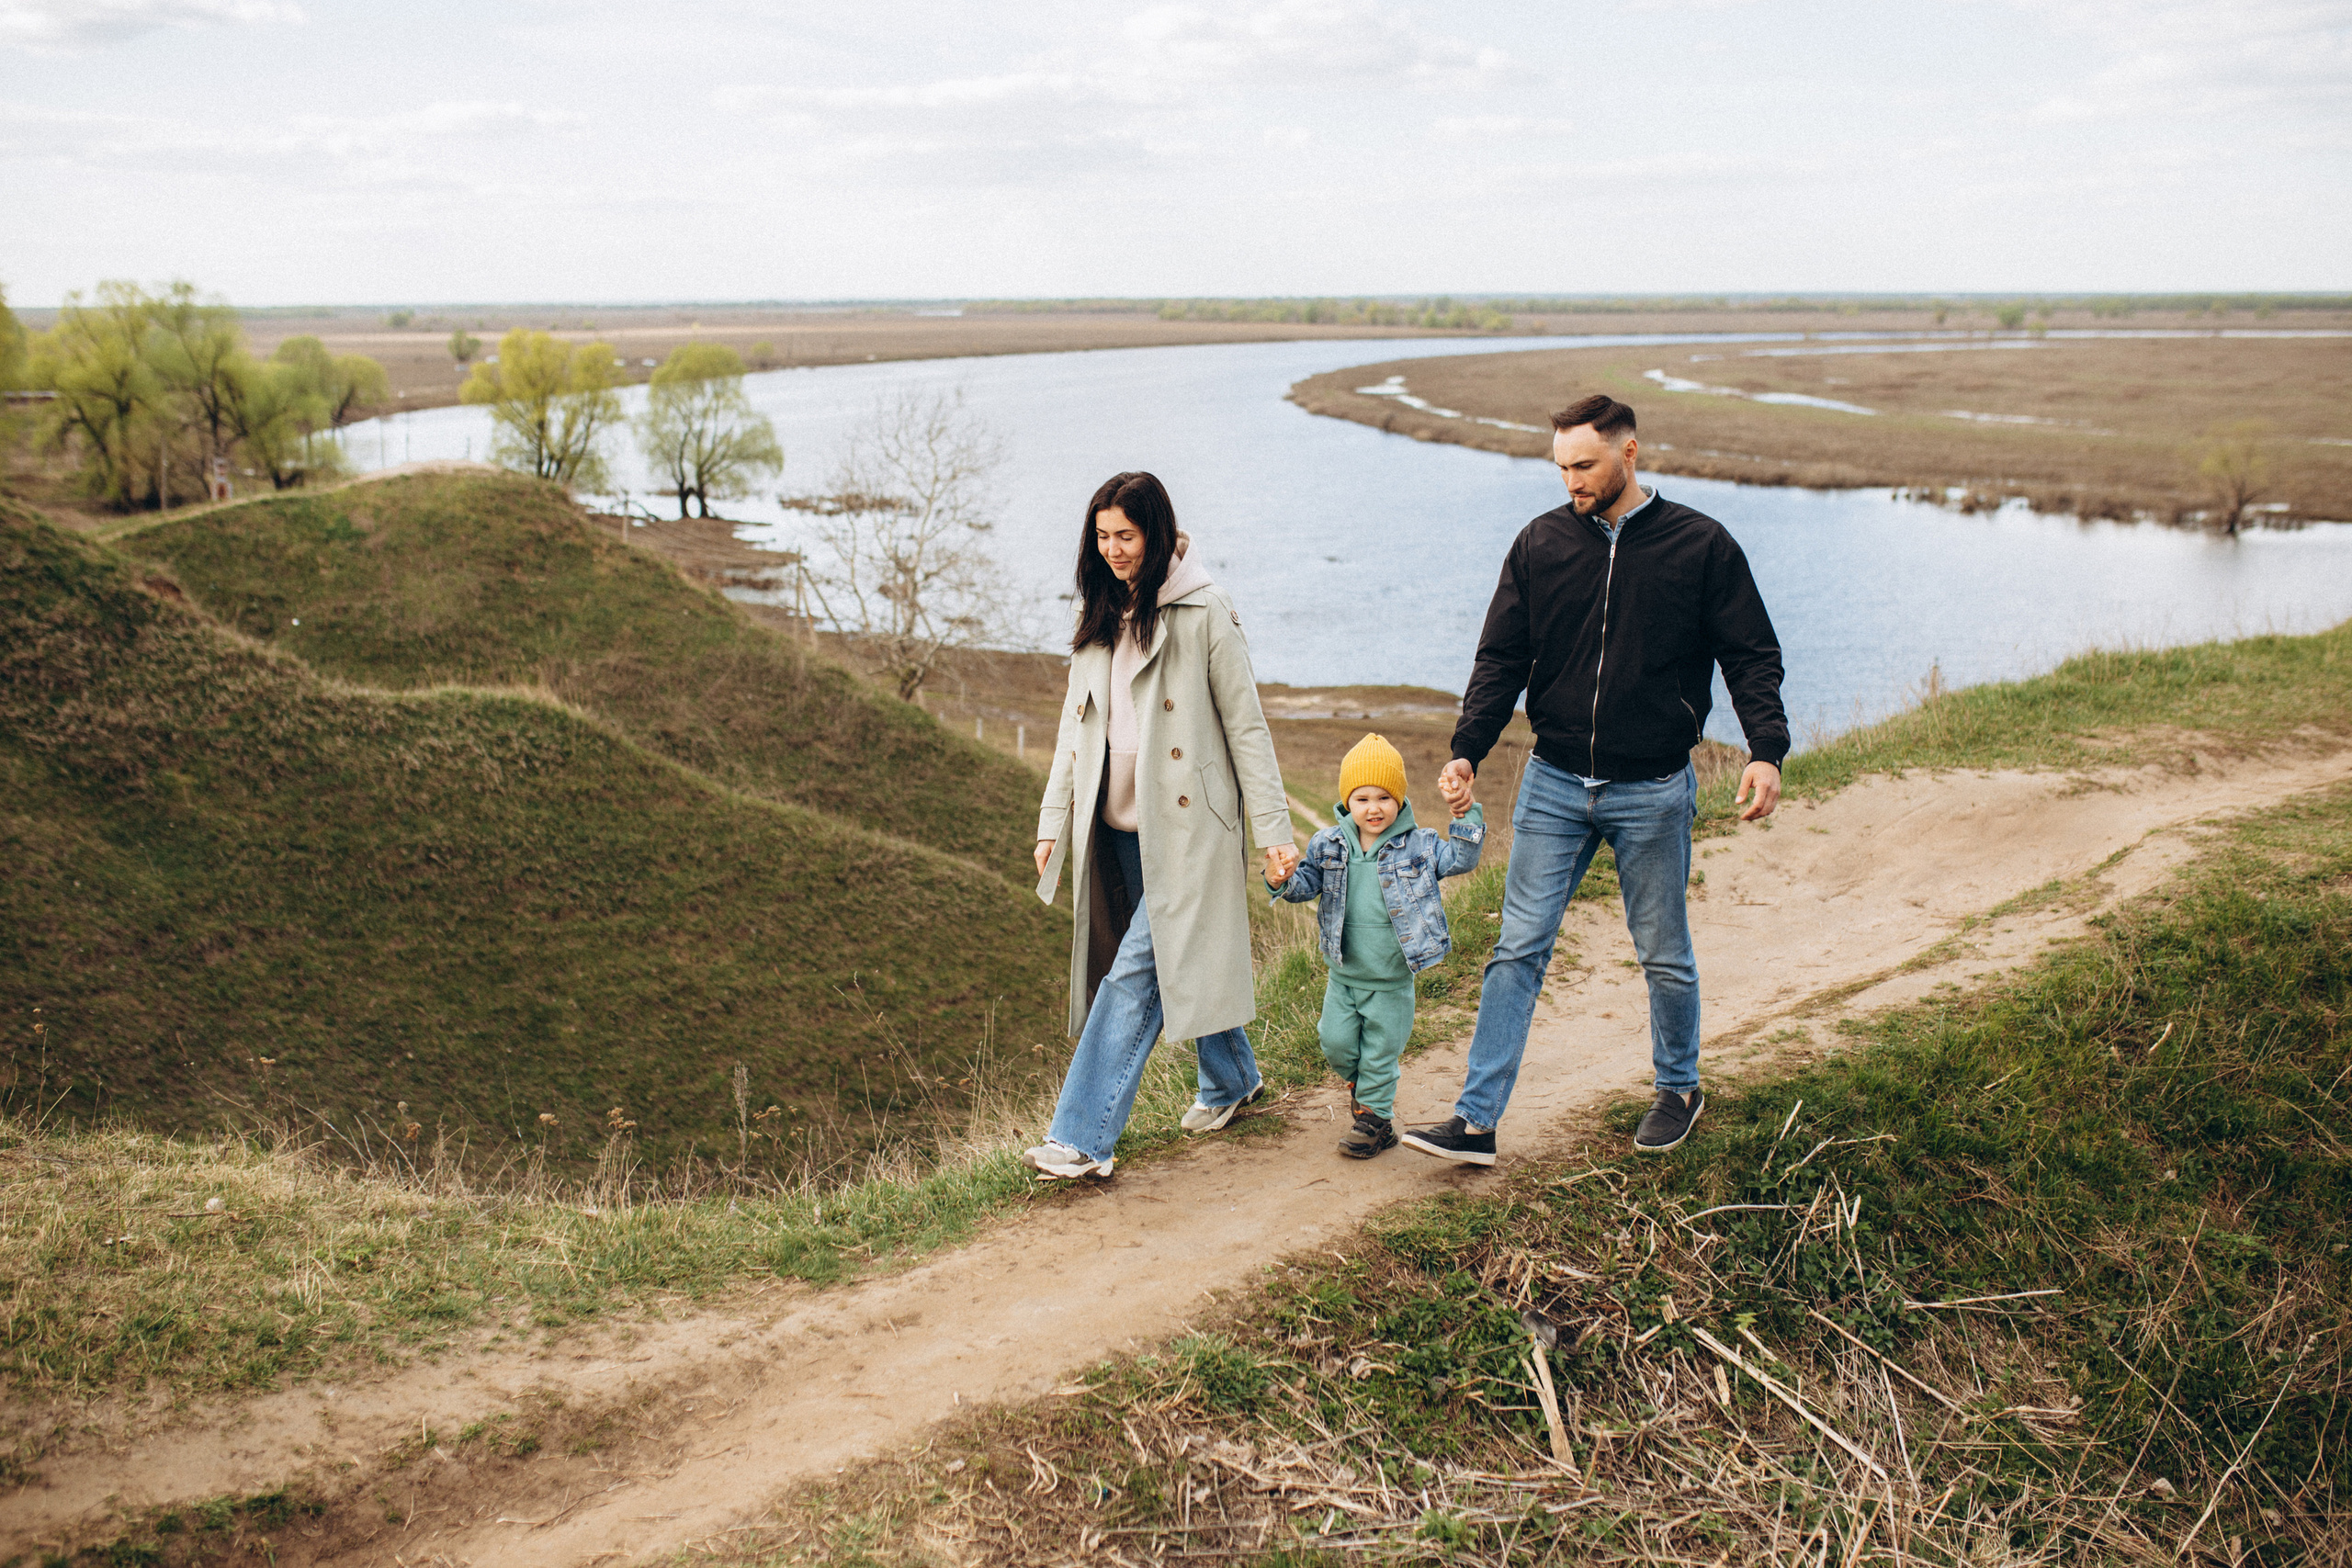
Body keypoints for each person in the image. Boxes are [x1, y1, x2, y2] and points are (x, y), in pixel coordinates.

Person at [1402, 393, 1789, 1167]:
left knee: (1662, 949)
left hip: (1651, 787)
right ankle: (1476, 1121)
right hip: (1553, 780)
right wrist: (1467, 747)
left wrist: (1764, 749)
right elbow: (1501, 657)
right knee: (1517, 948)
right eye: (1561, 467)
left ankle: (1679, 1087)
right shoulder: (1541, 543)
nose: (1571, 481)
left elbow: (1751, 654)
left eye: (1584, 465)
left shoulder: (1701, 546)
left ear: (1630, 453)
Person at [1026, 471, 1299, 1179]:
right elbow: (1073, 731)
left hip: (1188, 832)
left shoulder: (1206, 610)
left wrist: (1274, 830)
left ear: (1156, 532)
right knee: (1183, 959)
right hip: (1114, 829)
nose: (1114, 549)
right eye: (1102, 536)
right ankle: (1233, 1078)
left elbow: (1247, 725)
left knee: (1133, 975)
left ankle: (1082, 1136)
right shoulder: (1097, 615)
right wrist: (1053, 819)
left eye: (1126, 535)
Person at [1266, 733, 1484, 1158]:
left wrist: (1465, 812)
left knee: (1380, 1054)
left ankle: (1375, 1120)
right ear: (1348, 801)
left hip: (1391, 979)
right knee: (1335, 1042)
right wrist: (1280, 880)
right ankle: (1363, 1089)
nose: (1373, 808)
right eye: (1362, 798)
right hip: (1343, 973)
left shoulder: (1418, 844)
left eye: (1384, 797)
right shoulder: (1328, 844)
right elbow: (1306, 884)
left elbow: (1461, 859)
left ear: (1399, 799)